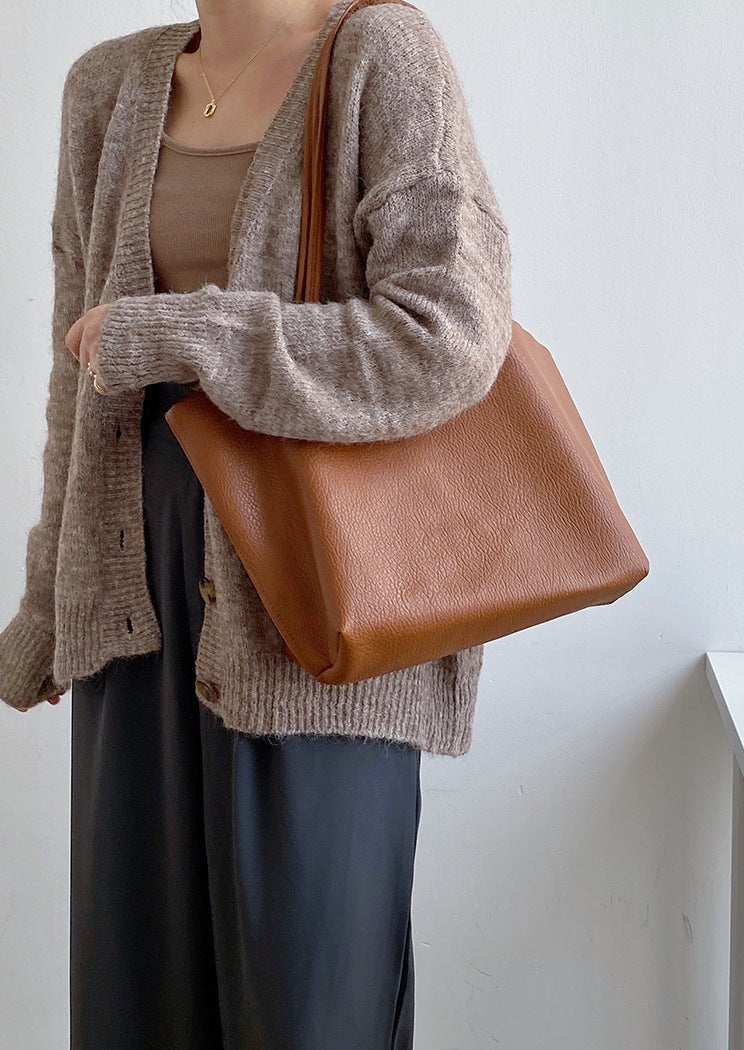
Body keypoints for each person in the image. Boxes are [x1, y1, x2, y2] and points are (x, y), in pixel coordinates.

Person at [0, 0, 512, 1045]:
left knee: (309, 1009)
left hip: (315, 610)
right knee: (135, 1001)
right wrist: (50, 603)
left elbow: (450, 336)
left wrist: (189, 334)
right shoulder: (108, 86)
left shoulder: (380, 55)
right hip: (132, 595)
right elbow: (77, 378)